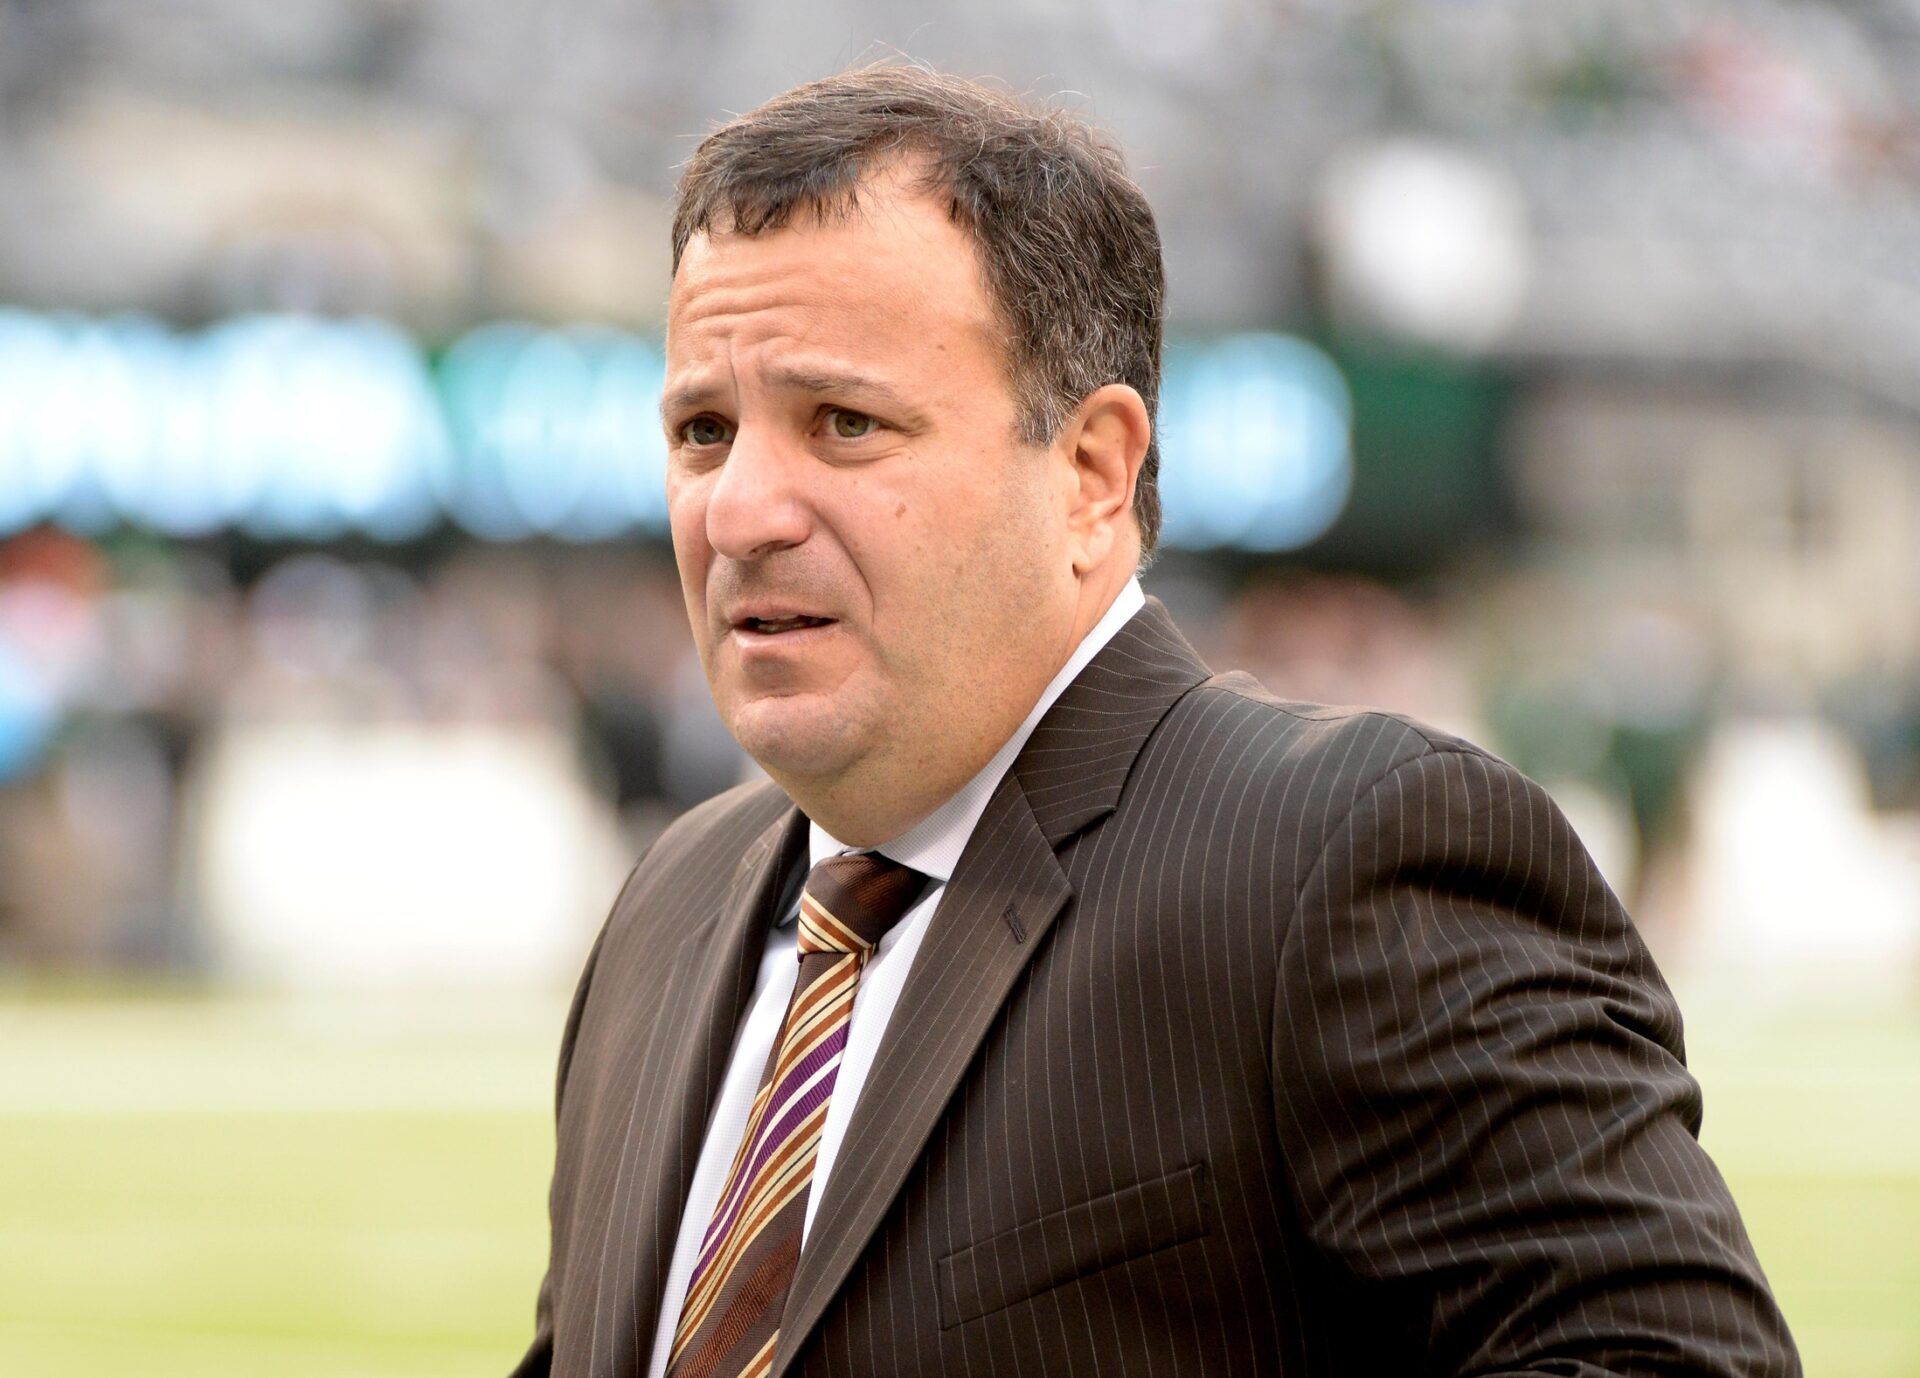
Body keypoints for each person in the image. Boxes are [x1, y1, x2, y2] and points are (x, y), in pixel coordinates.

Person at [511, 66, 1798, 1378]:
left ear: (1090, 473)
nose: (739, 510)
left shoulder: (1339, 852)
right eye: (703, 429)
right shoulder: (675, 898)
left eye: (844, 423)